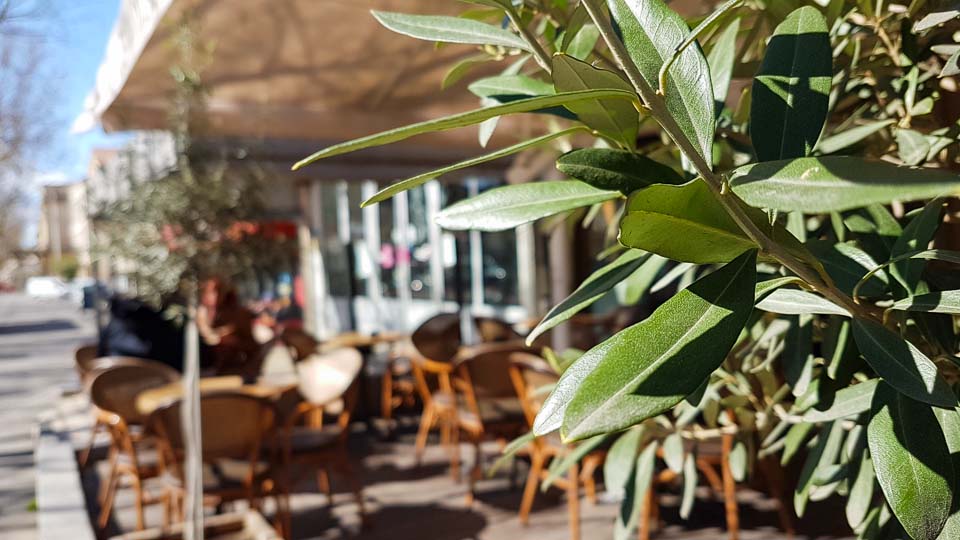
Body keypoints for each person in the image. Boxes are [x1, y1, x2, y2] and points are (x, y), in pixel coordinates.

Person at [196, 278, 259, 376]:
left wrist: (233, 341)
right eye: (207, 292)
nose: (212, 296)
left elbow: (252, 347)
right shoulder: (199, 316)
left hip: (234, 373)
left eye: (216, 291)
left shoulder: (237, 315)